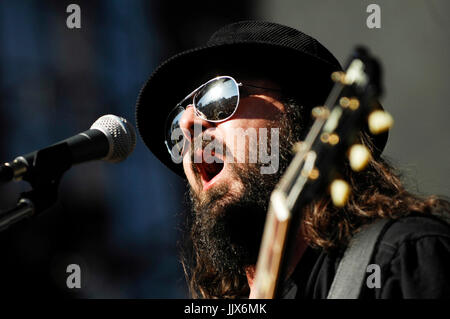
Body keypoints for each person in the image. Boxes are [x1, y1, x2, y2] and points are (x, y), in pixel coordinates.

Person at [135, 21, 450, 299]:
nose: (189, 126)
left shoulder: (401, 258)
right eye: (177, 125)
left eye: (217, 98)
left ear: (304, 124)